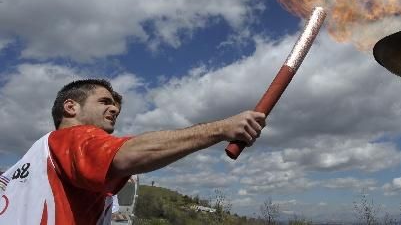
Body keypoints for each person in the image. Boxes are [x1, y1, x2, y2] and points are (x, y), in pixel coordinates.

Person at [0, 79, 265, 225]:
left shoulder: (29, 165)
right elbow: (126, 156)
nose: (114, 109)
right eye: (104, 102)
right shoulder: (71, 137)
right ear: (71, 107)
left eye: (116, 106)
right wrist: (222, 128)